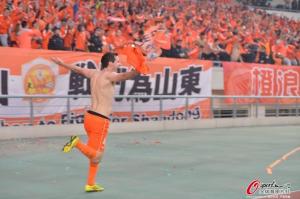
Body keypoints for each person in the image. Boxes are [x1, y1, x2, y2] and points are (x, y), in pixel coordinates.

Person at [50, 52, 139, 192]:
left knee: (94, 156)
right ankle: (76, 142)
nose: (119, 64)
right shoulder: (110, 75)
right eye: (117, 61)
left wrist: (62, 63)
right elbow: (125, 76)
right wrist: (139, 68)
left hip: (89, 117)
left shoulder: (94, 73)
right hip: (100, 120)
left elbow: (77, 69)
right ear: (110, 63)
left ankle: (90, 184)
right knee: (97, 155)